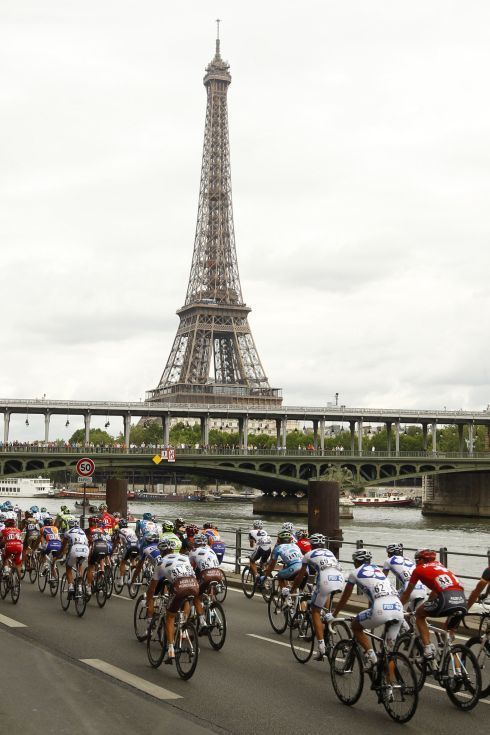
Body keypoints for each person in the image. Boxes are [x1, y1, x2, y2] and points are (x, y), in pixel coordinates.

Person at [333, 549, 404, 670]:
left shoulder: (355, 573)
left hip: (381, 608)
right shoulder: (378, 570)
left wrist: (334, 614)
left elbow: (345, 597)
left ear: (356, 561)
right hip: (398, 607)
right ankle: (389, 687)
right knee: (389, 654)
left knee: (355, 626)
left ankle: (371, 656)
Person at [399, 549, 467, 659]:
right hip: (462, 600)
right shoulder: (439, 565)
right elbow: (435, 591)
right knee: (448, 639)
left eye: (417, 560)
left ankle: (428, 649)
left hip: (446, 599)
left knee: (419, 616)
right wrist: (427, 603)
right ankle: (458, 671)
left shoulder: (418, 570)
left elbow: (407, 593)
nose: (416, 562)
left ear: (422, 560)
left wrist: (397, 606)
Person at [291, 533, 345, 660]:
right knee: (325, 606)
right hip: (339, 579)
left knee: (315, 611)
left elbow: (300, 575)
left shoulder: (308, 555)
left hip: (325, 580)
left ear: (311, 544)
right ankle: (327, 624)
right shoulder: (329, 552)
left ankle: (321, 648)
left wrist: (294, 588)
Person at [146, 537, 199, 664]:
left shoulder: (161, 562)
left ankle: (170, 651)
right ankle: (184, 626)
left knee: (169, 617)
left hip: (179, 586)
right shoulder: (184, 557)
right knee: (185, 600)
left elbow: (152, 588)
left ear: (161, 551)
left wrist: (149, 599)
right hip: (194, 584)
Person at [189, 533, 224, 632]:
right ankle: (210, 604)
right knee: (208, 590)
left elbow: (189, 568)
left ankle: (202, 621)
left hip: (206, 575)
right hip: (218, 574)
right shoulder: (211, 549)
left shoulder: (193, 551)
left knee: (196, 596)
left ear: (195, 543)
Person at [383, 543, 426, 610]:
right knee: (414, 615)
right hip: (422, 587)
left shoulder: (388, 561)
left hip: (409, 586)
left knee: (394, 605)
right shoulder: (409, 560)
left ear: (389, 553)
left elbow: (383, 579)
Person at [259, 530, 303, 597]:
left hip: (294, 568)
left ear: (278, 540)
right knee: (300, 595)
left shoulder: (278, 548)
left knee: (279, 576)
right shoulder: (296, 546)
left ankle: (286, 596)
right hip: (305, 569)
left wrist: (265, 577)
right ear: (291, 539)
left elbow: (271, 566)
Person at [60, 518, 89, 594]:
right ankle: (79, 586)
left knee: (68, 567)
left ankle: (70, 586)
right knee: (80, 564)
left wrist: (60, 553)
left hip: (75, 549)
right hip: (85, 549)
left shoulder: (68, 532)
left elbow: (63, 546)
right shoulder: (83, 531)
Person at [85, 516, 109, 591]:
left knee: (90, 566)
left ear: (91, 523)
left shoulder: (88, 530)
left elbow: (86, 540)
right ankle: (102, 571)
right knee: (101, 558)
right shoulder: (102, 529)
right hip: (105, 547)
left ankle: (88, 587)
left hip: (96, 547)